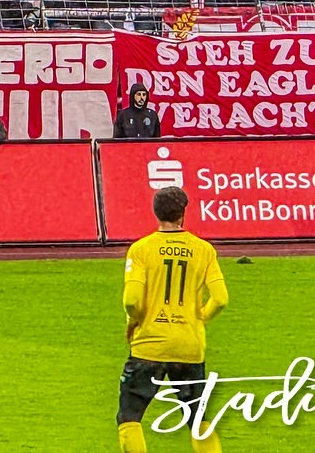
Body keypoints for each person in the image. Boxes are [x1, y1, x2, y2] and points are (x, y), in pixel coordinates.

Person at [118, 185, 228, 453]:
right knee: (198, 420)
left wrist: (134, 320)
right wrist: (200, 316)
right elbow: (221, 298)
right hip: (188, 345)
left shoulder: (141, 249)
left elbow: (131, 300)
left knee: (129, 418)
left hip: (149, 345)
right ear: (183, 214)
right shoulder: (203, 250)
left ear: (156, 213)